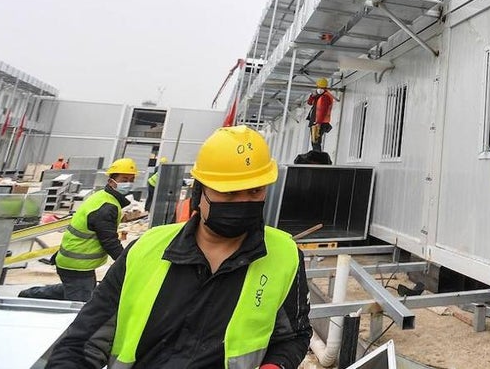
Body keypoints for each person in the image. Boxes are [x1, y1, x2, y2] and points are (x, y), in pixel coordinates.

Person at [45, 126, 311, 369]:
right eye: (229, 193)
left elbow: (293, 336)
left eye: (254, 192)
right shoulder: (146, 249)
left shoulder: (285, 255)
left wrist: (275, 366)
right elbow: (80, 344)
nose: (243, 202)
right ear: (199, 191)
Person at [20, 158, 138, 302]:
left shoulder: (103, 197)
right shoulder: (107, 207)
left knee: (74, 289)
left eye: (131, 180)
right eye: (124, 179)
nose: (128, 183)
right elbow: (109, 241)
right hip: (77, 264)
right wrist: (125, 262)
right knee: (80, 304)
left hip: (75, 262)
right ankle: (32, 296)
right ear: (111, 181)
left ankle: (30, 294)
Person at [307, 78, 336, 153]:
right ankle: (316, 156)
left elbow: (323, 111)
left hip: (319, 123)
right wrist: (312, 95)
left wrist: (318, 123)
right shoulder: (318, 96)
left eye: (321, 87)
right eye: (319, 87)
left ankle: (317, 157)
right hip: (316, 121)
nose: (319, 89)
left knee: (316, 142)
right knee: (314, 142)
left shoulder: (325, 97)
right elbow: (309, 103)